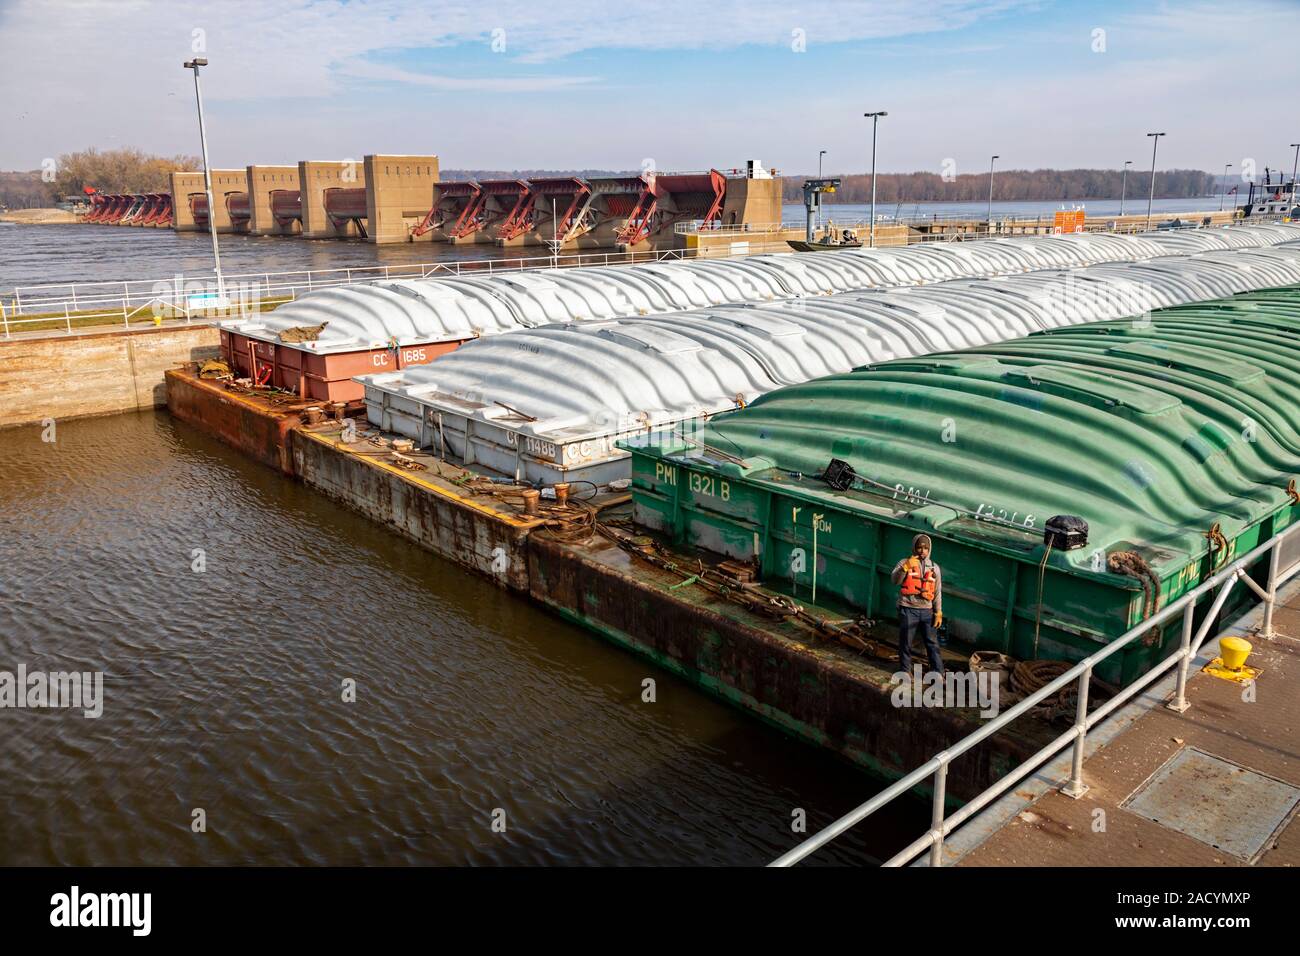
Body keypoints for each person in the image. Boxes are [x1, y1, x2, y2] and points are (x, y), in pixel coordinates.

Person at [891, 533, 944, 675]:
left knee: (932, 643)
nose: (922, 551)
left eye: (926, 548)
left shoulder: (935, 568)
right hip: (908, 609)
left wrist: (938, 612)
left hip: (927, 611)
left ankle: (938, 672)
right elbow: (895, 580)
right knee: (906, 643)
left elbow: (937, 591)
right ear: (914, 547)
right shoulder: (904, 562)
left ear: (929, 549)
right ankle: (905, 670)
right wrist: (906, 568)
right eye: (919, 547)